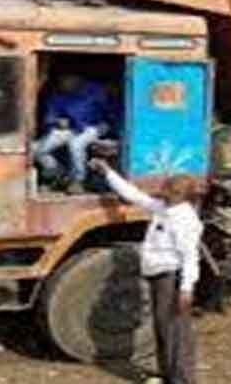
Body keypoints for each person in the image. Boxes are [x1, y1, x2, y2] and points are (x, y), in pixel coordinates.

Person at [89, 159, 202, 384]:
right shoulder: (164, 208)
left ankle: (181, 379)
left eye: (173, 191)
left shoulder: (185, 219)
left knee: (174, 331)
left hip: (171, 278)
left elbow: (190, 257)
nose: (167, 193)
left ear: (184, 195)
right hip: (159, 276)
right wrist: (109, 172)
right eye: (168, 189)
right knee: (162, 328)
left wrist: (186, 289)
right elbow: (134, 195)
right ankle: (169, 375)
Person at [35, 75, 117, 193]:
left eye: (68, 79)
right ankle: (58, 174)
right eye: (61, 81)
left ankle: (78, 180)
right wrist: (57, 121)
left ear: (78, 79)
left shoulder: (97, 91)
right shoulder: (57, 94)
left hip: (94, 126)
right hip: (70, 128)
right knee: (37, 149)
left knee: (76, 144)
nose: (64, 83)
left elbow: (111, 112)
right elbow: (49, 117)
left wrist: (109, 129)